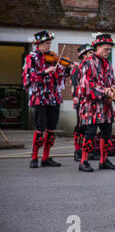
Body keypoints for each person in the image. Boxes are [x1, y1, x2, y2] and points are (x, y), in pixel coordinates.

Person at [22, 30, 72, 168]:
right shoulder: (31, 58)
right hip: (40, 97)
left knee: (51, 129)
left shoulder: (53, 58)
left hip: (54, 97)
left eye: (49, 43)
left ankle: (46, 157)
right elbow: (29, 77)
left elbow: (61, 74)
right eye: (46, 43)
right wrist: (45, 71)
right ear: (38, 44)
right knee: (39, 129)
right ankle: (34, 158)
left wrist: (70, 69)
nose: (49, 46)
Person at [77, 33, 115, 172]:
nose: (108, 52)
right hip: (92, 105)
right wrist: (105, 91)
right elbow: (86, 85)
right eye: (106, 49)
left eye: (109, 49)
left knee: (107, 133)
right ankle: (83, 161)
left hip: (106, 105)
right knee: (90, 133)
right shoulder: (88, 62)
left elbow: (111, 82)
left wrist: (114, 92)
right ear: (98, 47)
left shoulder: (108, 63)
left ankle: (104, 161)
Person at [71, 44, 96, 162]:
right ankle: (77, 151)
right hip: (81, 102)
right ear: (84, 55)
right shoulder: (78, 68)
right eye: (90, 53)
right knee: (80, 127)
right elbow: (75, 86)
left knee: (89, 128)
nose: (93, 55)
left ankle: (88, 151)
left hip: (90, 102)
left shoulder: (93, 67)